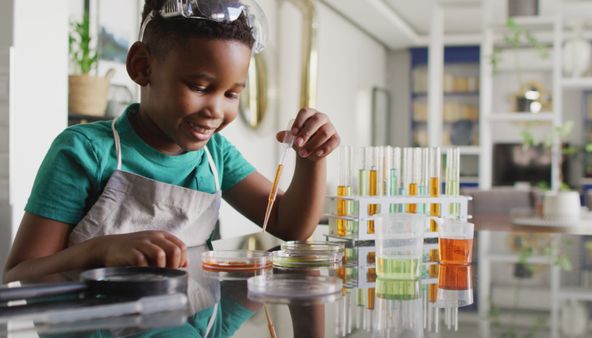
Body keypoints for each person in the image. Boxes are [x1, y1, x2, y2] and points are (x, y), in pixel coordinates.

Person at [3, 0, 340, 284]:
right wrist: (99, 250)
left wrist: (311, 159)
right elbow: (19, 274)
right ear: (142, 67)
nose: (216, 110)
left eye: (231, 93)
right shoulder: (84, 151)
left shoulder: (215, 155)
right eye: (199, 86)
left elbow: (288, 224)